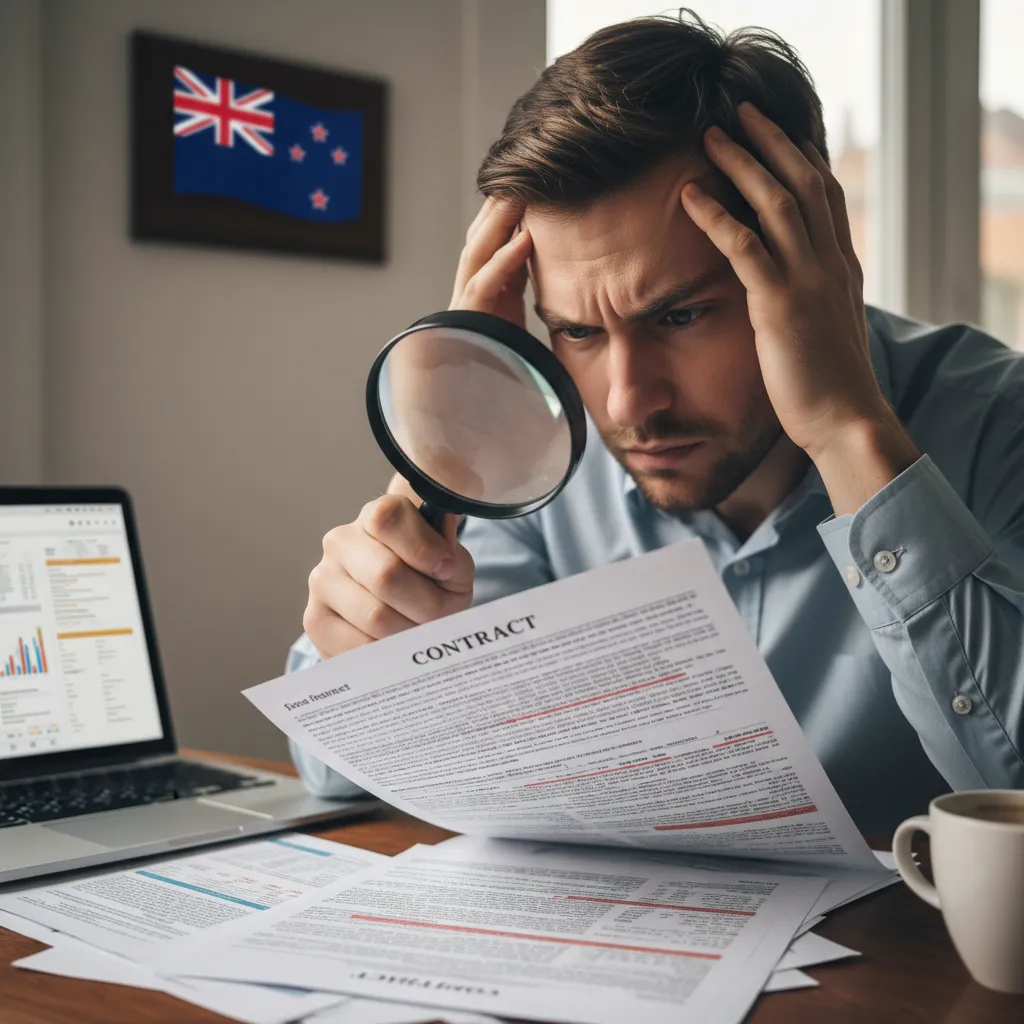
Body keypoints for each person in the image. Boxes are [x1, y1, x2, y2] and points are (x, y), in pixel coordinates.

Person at [289, 13, 1024, 836]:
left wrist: (848, 431)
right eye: (577, 331)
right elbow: (333, 773)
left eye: (680, 316)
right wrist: (449, 445)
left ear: (813, 263)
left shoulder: (1000, 426)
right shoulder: (535, 447)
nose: (626, 405)